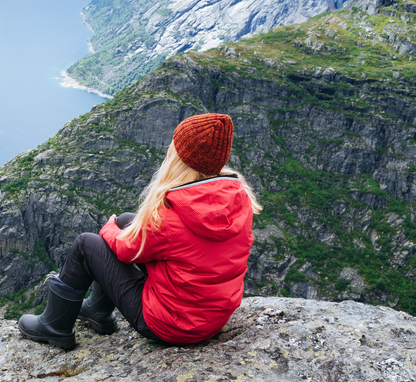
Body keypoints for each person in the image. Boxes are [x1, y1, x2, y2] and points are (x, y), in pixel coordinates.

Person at [18, 113, 262, 350]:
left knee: (86, 244)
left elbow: (125, 251)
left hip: (170, 326)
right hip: (212, 319)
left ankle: (55, 326)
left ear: (180, 158)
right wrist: (120, 227)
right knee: (127, 221)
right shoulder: (240, 200)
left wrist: (108, 228)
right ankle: (97, 312)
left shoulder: (170, 217)